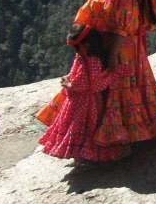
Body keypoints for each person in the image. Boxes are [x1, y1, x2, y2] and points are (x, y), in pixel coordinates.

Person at [37, 0, 156, 158]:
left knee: (111, 90)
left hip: (116, 50)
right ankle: (135, 130)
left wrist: (110, 58)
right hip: (127, 51)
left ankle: (112, 138)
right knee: (129, 90)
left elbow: (119, 31)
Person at [38, 24, 118, 162]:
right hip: (87, 102)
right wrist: (69, 78)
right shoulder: (88, 57)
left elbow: (87, 83)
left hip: (83, 103)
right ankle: (82, 155)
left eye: (77, 47)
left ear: (86, 45)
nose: (76, 50)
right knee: (84, 128)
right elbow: (83, 77)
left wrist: (69, 84)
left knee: (78, 127)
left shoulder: (90, 61)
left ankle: (83, 155)